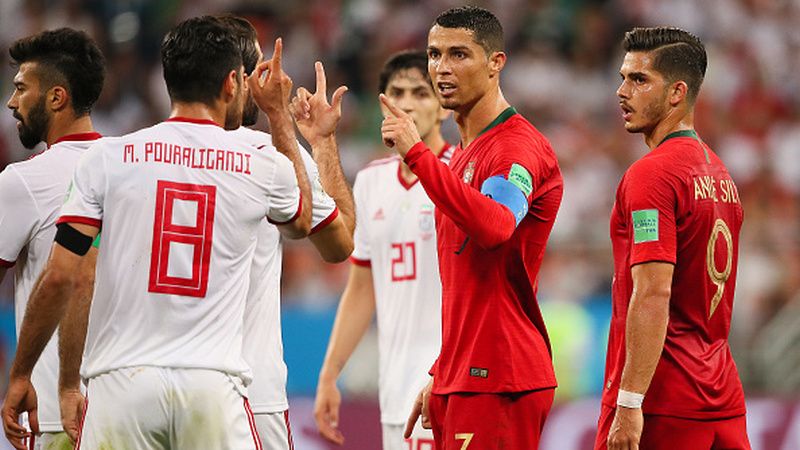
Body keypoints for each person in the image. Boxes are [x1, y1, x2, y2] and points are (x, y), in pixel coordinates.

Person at [1, 15, 312, 450]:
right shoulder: (260, 164)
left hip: (120, 386)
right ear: (232, 84)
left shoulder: (110, 158)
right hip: (212, 385)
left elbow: (64, 276)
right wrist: (280, 118)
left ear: (165, 80)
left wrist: (33, 375)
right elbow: (302, 222)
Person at [380, 6, 563, 450]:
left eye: (459, 54)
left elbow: (497, 225)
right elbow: (472, 285)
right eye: (434, 54)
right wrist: (445, 369)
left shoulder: (516, 149)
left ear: (496, 63)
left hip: (500, 377)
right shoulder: (466, 153)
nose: (442, 68)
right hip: (466, 373)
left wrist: (418, 155)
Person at [595, 27, 750, 450]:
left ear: (678, 92)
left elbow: (653, 293)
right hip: (721, 396)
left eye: (639, 80)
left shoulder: (653, 175)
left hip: (662, 400)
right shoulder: (720, 174)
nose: (622, 92)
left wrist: (628, 403)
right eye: (623, 77)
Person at [219, 15, 355, 450]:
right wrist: (307, 135)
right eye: (261, 69)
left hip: (152, 387)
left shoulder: (133, 155)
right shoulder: (269, 159)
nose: (270, 79)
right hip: (248, 391)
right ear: (236, 81)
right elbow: (340, 243)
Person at [314, 50, 452, 450]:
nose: (406, 103)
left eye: (421, 93)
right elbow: (361, 289)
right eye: (397, 92)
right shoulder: (372, 182)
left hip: (447, 386)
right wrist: (329, 375)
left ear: (444, 107)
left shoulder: (462, 172)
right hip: (393, 390)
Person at [0, 28, 105, 450]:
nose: (12, 102)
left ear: (56, 97)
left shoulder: (24, 181)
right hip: (129, 407)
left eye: (21, 89)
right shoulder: (135, 166)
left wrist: (18, 374)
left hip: (54, 413)